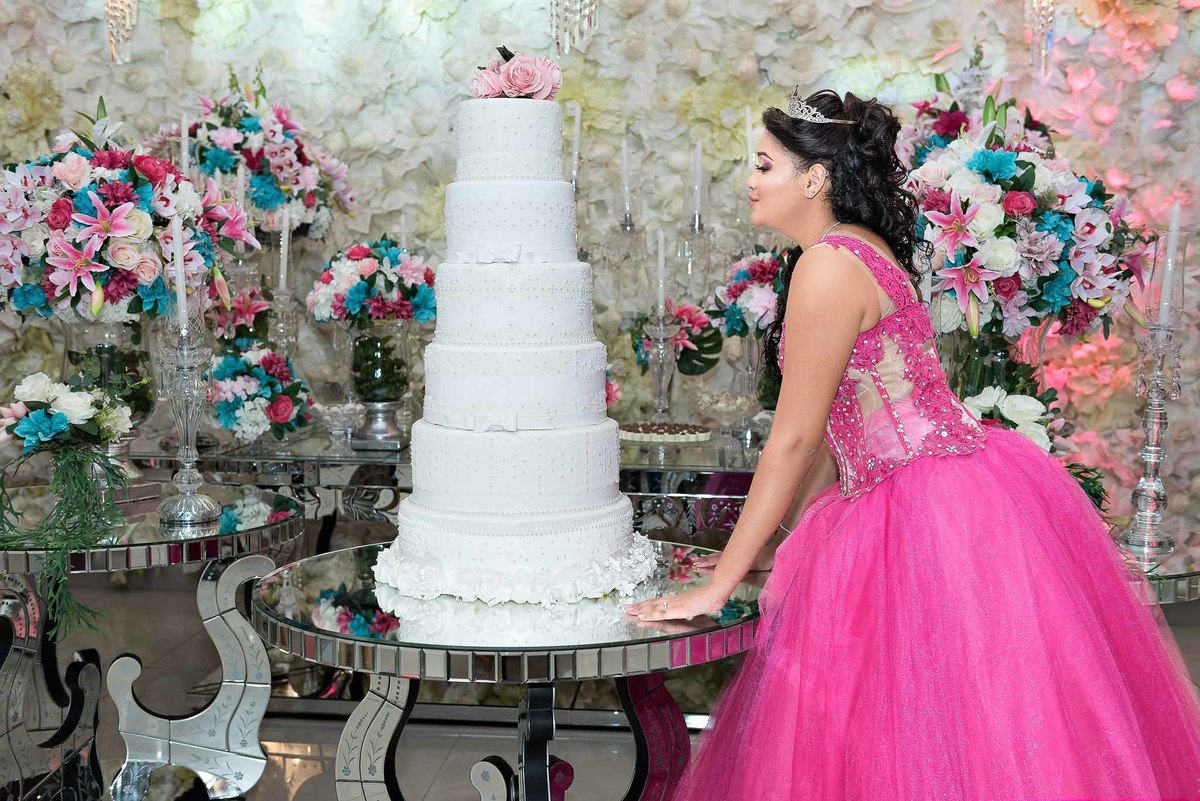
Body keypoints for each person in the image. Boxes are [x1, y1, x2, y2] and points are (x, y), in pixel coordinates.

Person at [626, 89, 1200, 800]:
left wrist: (719, 578)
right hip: (953, 485)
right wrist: (781, 539)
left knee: (928, 728)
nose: (751, 180)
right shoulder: (862, 250)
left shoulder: (829, 265)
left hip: (919, 506)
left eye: (765, 165)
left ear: (815, 179)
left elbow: (796, 436)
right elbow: (838, 431)